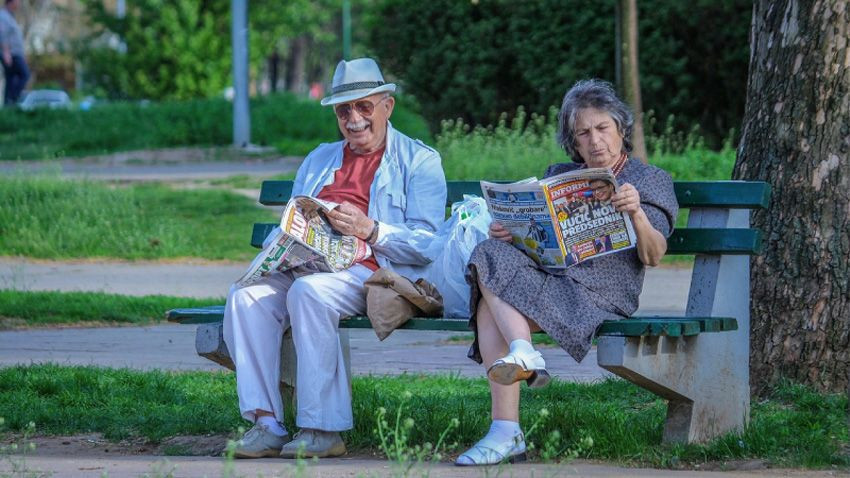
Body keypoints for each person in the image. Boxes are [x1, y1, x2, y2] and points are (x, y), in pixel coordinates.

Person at [224, 58, 446, 459]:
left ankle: (323, 429)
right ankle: (267, 423)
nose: (354, 118)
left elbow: (429, 244)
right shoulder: (319, 159)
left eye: (364, 106)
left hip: (373, 272)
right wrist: (281, 249)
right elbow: (293, 219)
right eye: (344, 110)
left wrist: (371, 229)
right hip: (310, 265)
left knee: (310, 293)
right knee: (245, 296)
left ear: (387, 107)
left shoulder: (419, 161)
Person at [456, 79, 678, 466]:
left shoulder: (648, 180)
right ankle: (522, 357)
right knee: (488, 252)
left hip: (601, 296)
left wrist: (637, 212)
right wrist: (511, 233)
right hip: (553, 281)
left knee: (489, 306)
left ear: (620, 129)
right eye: (583, 133)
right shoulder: (560, 175)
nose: (595, 141)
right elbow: (538, 242)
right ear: (573, 143)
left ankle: (505, 428)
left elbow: (654, 254)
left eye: (602, 128)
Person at [0, 0, 29, 106]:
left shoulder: (10, 16)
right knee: (25, 74)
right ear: (10, 2)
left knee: (10, 78)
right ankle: (13, 98)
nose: (19, 3)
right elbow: (3, 35)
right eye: (17, 1)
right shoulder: (3, 16)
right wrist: (6, 52)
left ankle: (8, 105)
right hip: (11, 54)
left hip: (16, 53)